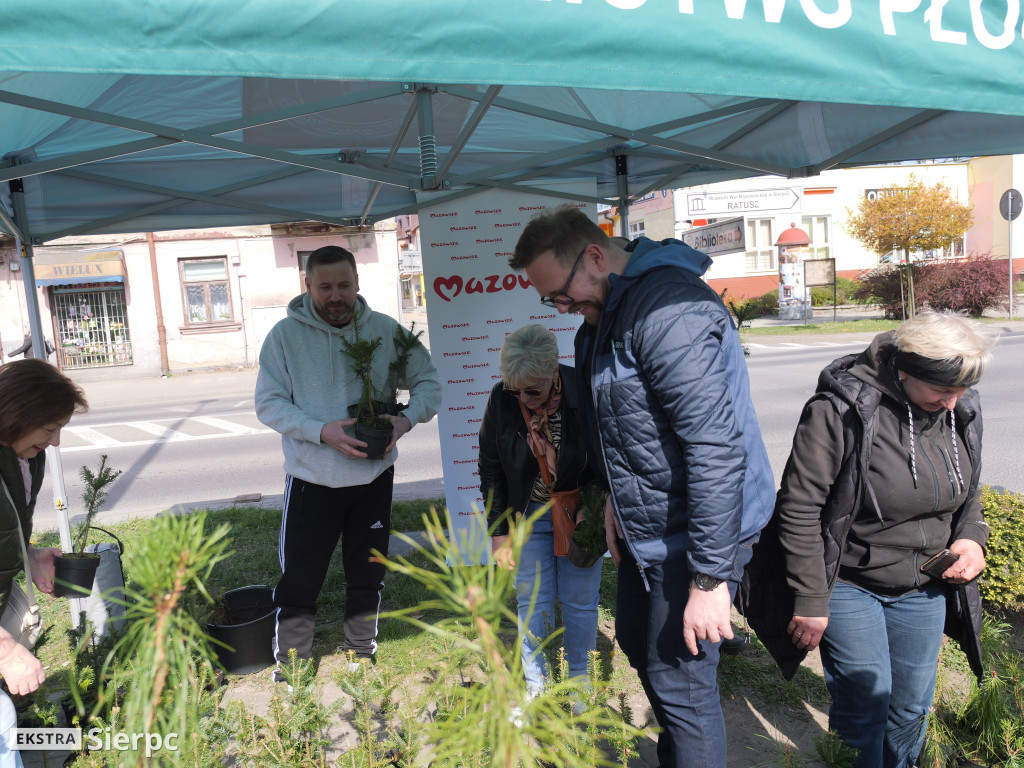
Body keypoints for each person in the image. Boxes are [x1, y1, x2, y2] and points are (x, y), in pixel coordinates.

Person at [510, 206, 775, 768]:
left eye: (561, 294)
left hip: (697, 531)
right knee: (636, 637)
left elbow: (714, 448)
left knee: (681, 681)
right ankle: (681, 750)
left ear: (596, 256)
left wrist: (709, 578)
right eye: (549, 301)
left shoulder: (667, 311)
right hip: (646, 523)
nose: (561, 309)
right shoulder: (601, 317)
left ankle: (690, 749)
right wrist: (609, 500)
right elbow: (615, 427)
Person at [754, 310, 992, 768]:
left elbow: (969, 493)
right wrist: (809, 598)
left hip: (925, 583)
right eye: (942, 391)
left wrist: (971, 538)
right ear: (905, 371)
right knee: (864, 705)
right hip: (848, 581)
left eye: (960, 391)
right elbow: (799, 508)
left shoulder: (960, 408)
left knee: (909, 706)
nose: (953, 403)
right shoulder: (839, 410)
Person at [255, 245, 441, 679]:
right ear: (308, 286)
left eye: (343, 285)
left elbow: (429, 382)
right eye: (325, 287)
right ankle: (293, 665)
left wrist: (405, 421)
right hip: (311, 479)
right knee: (300, 577)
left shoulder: (387, 331)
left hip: (373, 476)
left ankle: (362, 651)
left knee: (368, 570)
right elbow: (269, 404)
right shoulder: (284, 337)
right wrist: (321, 431)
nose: (335, 296)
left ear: (357, 284)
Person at [478, 324, 602, 696]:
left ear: (554, 372)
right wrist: (499, 532)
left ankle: (579, 679)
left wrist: (591, 510)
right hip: (529, 515)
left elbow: (605, 461)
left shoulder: (583, 390)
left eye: (533, 389)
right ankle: (537, 681)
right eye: (517, 389)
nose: (525, 398)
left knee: (580, 602)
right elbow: (491, 467)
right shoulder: (502, 398)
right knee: (533, 601)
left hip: (580, 514)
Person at [0, 359, 88, 767]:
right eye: (49, 428)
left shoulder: (19, 455)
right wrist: (5, 652)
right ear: (18, 413)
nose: (54, 442)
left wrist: (28, 554)